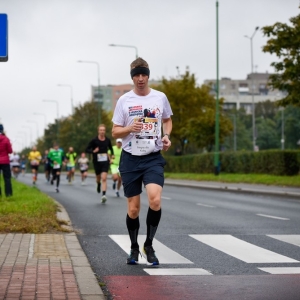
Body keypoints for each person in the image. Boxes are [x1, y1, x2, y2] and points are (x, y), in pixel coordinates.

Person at [112, 57, 173, 266]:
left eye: (143, 74)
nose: (140, 79)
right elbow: (115, 131)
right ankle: (134, 247)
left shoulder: (160, 97)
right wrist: (130, 129)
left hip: (153, 157)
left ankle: (149, 244)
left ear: (148, 75)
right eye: (136, 75)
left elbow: (167, 119)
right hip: (130, 158)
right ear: (132, 77)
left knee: (155, 200)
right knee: (134, 209)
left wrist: (166, 136)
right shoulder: (124, 101)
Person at [86, 124, 114, 203]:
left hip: (105, 161)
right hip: (96, 162)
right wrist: (93, 151)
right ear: (98, 131)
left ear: (105, 131)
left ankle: (104, 195)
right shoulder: (94, 140)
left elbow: (111, 149)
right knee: (98, 177)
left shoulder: (107, 140)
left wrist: (112, 156)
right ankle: (98, 184)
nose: (102, 131)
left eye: (103, 130)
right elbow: (87, 149)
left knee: (104, 178)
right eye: (101, 130)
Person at [0, 124, 13, 197]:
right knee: (7, 178)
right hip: (5, 161)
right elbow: (10, 151)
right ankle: (8, 194)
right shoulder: (6, 139)